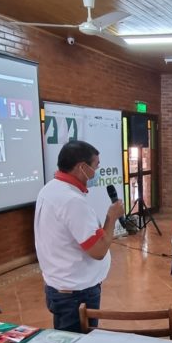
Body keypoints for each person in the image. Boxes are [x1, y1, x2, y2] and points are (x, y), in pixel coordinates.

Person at [34, 140, 124, 331]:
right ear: (82, 167)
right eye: (95, 166)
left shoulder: (49, 189)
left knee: (68, 340)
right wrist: (112, 217)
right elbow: (98, 250)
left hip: (60, 285)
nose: (96, 172)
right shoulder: (72, 201)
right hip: (77, 295)